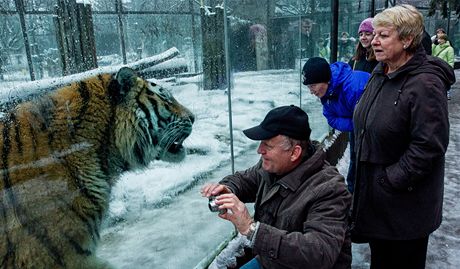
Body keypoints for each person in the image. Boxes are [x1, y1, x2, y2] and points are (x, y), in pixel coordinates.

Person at [351, 5, 456, 269]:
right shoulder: (382, 71)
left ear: (407, 39)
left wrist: (390, 180)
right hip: (378, 203)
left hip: (404, 209)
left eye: (383, 35)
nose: (374, 40)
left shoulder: (425, 84)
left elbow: (429, 146)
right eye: (374, 34)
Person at [201, 105, 352, 269]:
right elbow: (246, 179)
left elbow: (319, 254)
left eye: (268, 145)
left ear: (294, 153)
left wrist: (253, 230)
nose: (260, 150)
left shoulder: (329, 189)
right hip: (273, 260)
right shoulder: (274, 167)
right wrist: (227, 188)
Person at [302, 57, 370, 193]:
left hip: (372, 132)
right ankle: (353, 193)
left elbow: (368, 119)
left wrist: (356, 122)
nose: (311, 91)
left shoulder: (354, 87)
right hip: (357, 131)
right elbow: (331, 118)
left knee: (367, 164)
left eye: (312, 85)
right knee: (355, 161)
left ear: (325, 79)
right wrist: (354, 123)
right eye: (309, 87)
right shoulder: (327, 94)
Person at [432, 33, 455, 100]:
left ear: (445, 40)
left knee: (445, 81)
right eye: (438, 38)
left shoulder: (449, 48)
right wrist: (434, 44)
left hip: (444, 68)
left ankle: (447, 93)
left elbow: (450, 60)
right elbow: (432, 54)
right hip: (436, 67)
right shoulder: (436, 46)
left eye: (441, 39)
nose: (439, 40)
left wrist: (450, 69)